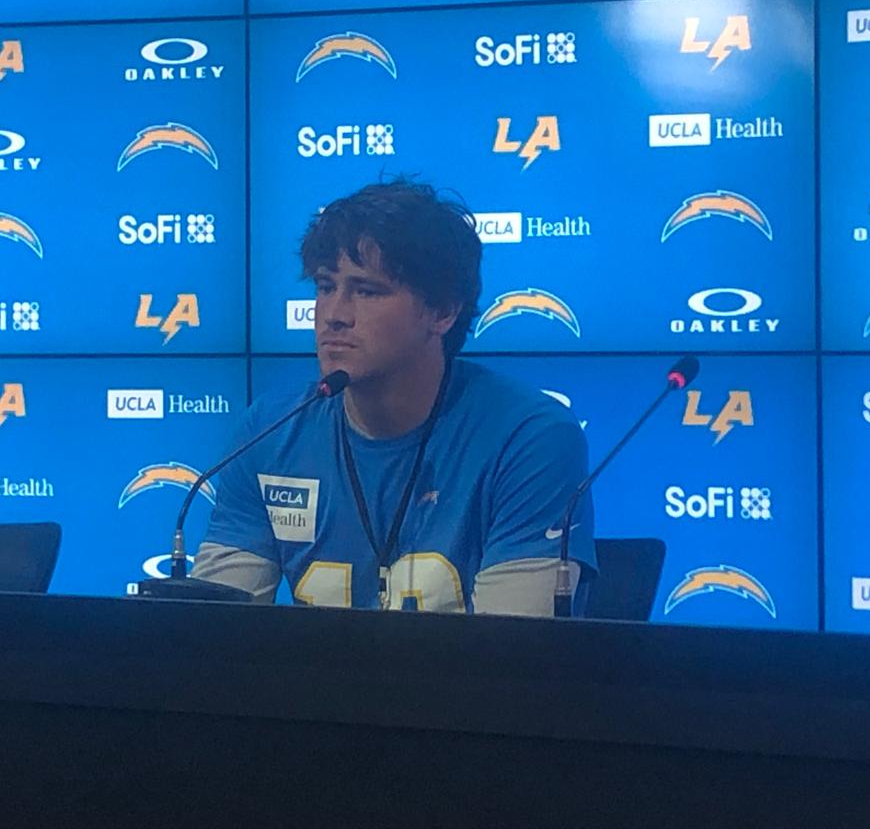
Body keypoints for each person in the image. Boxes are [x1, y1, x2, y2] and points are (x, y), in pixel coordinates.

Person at [192, 178, 596, 616]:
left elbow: (515, 661)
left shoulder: (529, 438)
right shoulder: (269, 432)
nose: (334, 316)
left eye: (366, 291)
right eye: (326, 287)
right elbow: (214, 636)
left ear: (442, 311)